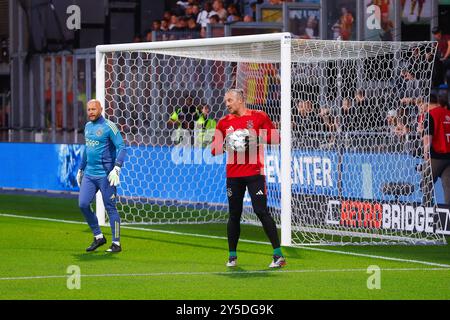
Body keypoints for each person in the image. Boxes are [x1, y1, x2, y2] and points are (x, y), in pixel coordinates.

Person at [211, 89, 286, 268]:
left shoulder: (259, 116)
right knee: (234, 214)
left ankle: (278, 255)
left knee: (261, 211)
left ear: (240, 100)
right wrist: (229, 142)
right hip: (233, 176)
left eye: (229, 100)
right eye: (225, 101)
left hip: (254, 174)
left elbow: (277, 138)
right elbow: (214, 150)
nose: (226, 104)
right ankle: (232, 257)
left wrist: (251, 137)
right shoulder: (223, 122)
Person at [76, 99, 127, 253]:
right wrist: (81, 168)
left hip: (106, 176)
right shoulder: (87, 126)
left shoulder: (109, 126)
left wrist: (117, 168)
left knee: (110, 208)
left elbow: (122, 147)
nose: (91, 112)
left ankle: (116, 243)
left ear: (101, 109)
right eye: (89, 109)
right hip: (90, 174)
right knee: (83, 204)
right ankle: (98, 236)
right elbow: (87, 149)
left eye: (94, 109)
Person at [421, 93, 450, 206]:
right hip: (449, 156)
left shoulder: (430, 115)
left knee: (426, 181)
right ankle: (448, 213)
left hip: (437, 156)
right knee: (448, 185)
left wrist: (426, 155)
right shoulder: (447, 113)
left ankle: (427, 207)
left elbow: (428, 139)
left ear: (425, 103)